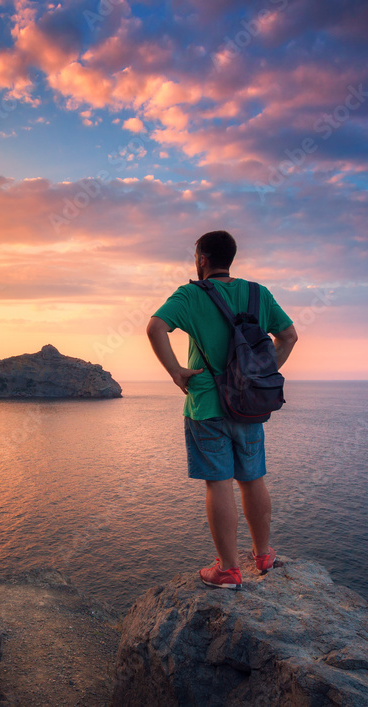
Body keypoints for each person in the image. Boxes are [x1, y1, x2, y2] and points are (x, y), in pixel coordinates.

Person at [146, 230, 298, 590]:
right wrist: (261, 372)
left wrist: (175, 371)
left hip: (207, 406)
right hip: (249, 404)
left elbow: (155, 328)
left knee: (219, 484)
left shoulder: (190, 294)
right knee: (253, 478)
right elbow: (289, 335)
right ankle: (263, 555)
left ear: (201, 259)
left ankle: (229, 569)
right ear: (231, 258)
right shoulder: (257, 293)